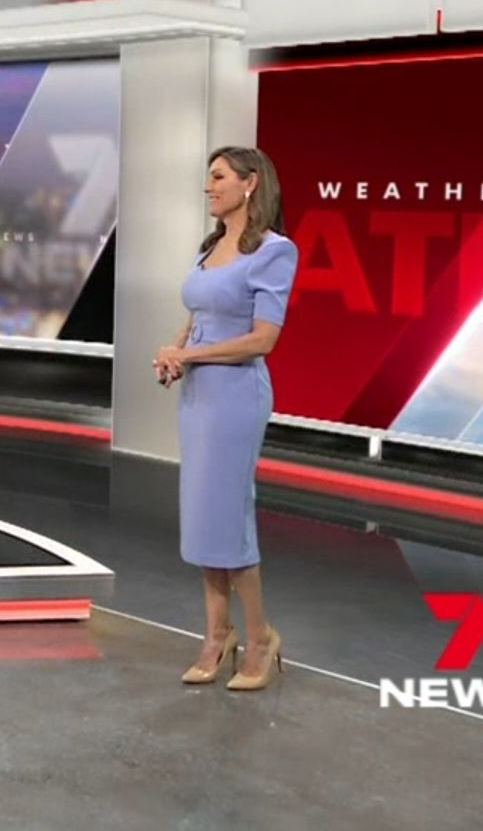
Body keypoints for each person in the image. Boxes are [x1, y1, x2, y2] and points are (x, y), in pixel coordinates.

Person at [152, 146, 299, 691]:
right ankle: (217, 634)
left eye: (218, 177)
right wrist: (175, 350)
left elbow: (263, 339)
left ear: (250, 183)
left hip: (236, 397)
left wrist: (190, 354)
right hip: (198, 396)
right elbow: (200, 314)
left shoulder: (275, 252)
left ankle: (260, 638)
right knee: (202, 518)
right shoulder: (211, 246)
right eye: (208, 178)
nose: (208, 186)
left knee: (229, 521)